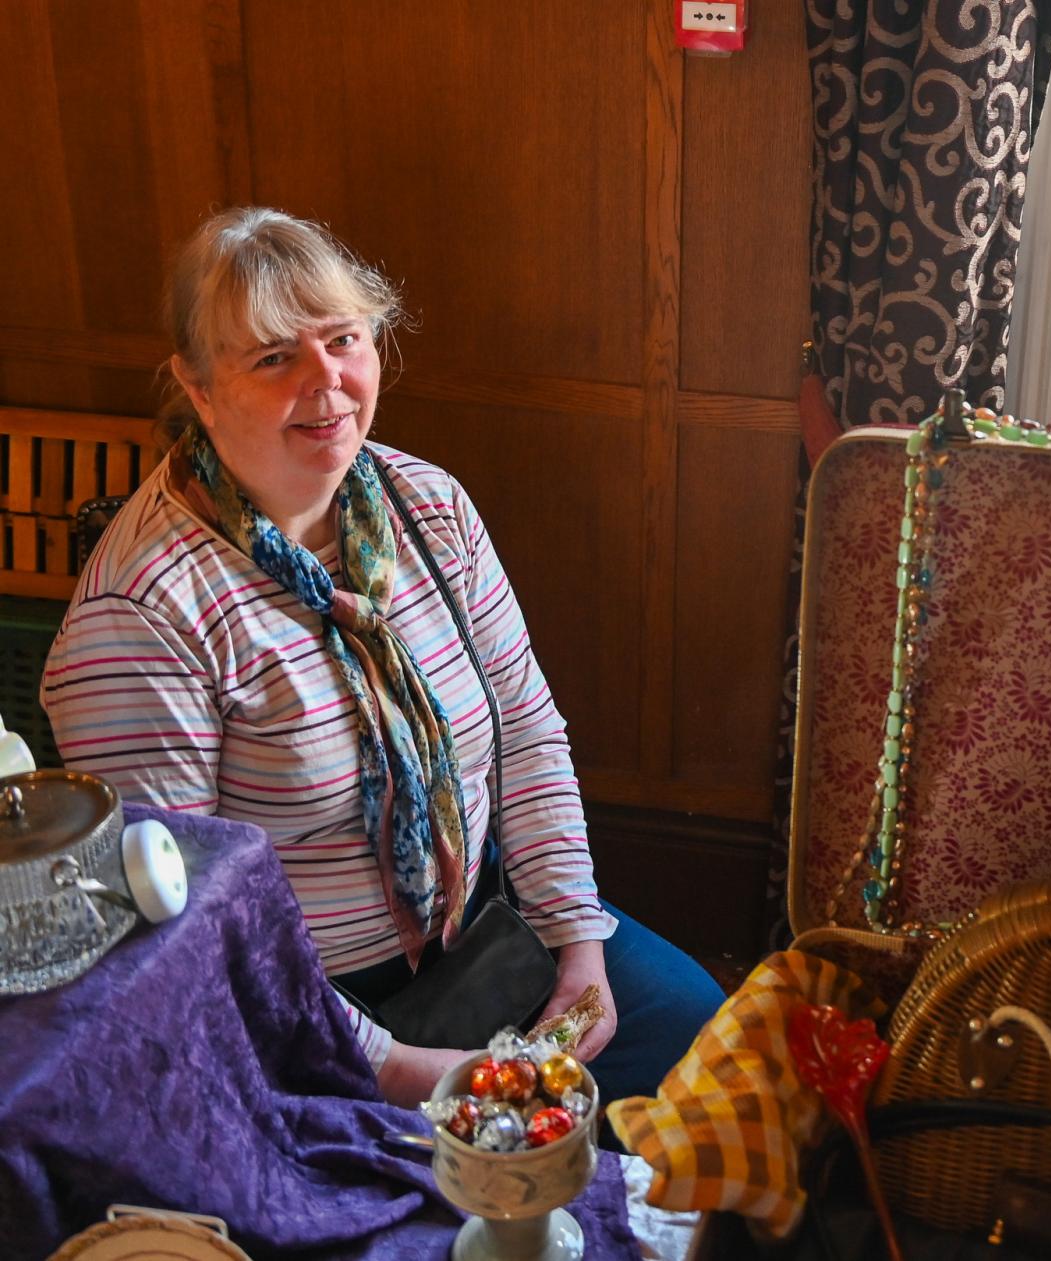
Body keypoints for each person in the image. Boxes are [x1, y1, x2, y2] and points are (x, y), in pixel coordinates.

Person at [41, 206, 725, 1109]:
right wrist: (396, 1067)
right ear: (198, 389)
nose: (326, 380)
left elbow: (525, 733)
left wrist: (576, 944)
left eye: (343, 340)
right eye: (274, 357)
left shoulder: (426, 504)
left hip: (489, 930)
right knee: (488, 1166)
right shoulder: (139, 614)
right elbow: (191, 929)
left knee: (702, 1039)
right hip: (312, 1008)